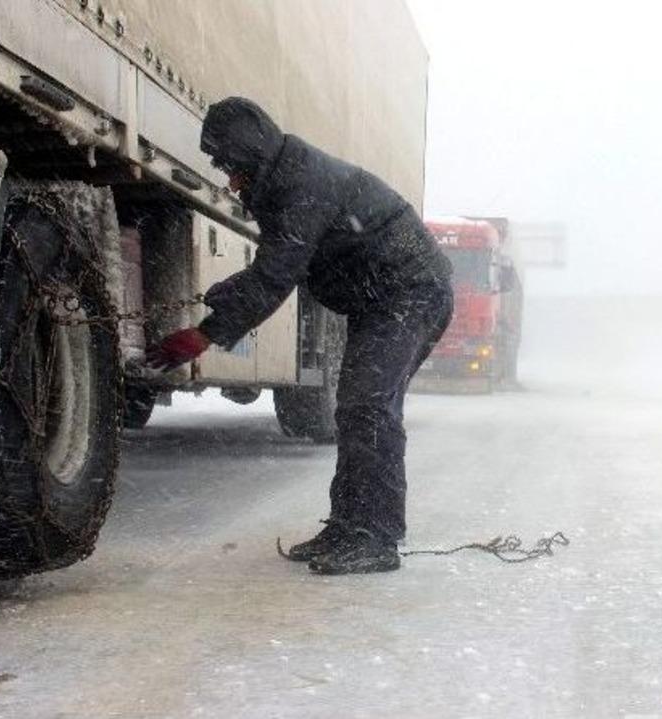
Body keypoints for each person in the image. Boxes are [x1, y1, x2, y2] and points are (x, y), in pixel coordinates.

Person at [147, 97, 453, 575]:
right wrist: (226, 297)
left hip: (411, 291)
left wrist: (204, 335)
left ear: (252, 153)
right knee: (356, 408)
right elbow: (280, 264)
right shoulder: (284, 180)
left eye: (231, 166)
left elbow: (275, 276)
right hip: (381, 298)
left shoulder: (299, 185)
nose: (230, 180)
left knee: (367, 406)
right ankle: (349, 525)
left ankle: (375, 536)